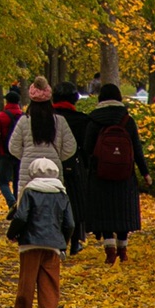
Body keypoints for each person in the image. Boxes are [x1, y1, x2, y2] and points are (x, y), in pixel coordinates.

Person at [78, 82, 149, 262]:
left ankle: (109, 250)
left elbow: (86, 148)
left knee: (105, 211)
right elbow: (137, 149)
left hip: (99, 174)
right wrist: (145, 172)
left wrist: (88, 169)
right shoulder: (127, 120)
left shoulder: (93, 120)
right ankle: (123, 250)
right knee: (123, 211)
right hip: (125, 174)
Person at [8, 78, 78, 251]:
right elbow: (71, 147)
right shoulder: (59, 122)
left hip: (27, 172)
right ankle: (52, 241)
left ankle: (28, 242)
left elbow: (13, 147)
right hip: (53, 170)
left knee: (27, 207)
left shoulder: (24, 121)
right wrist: (57, 157)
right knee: (53, 205)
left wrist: (25, 156)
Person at [9, 156, 75, 308]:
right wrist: (63, 243)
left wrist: (12, 233)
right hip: (53, 244)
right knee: (50, 281)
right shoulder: (62, 194)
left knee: (27, 280)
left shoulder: (29, 191)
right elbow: (70, 224)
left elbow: (21, 217)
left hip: (31, 242)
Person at [52, 81, 92, 254]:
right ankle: (75, 241)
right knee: (75, 204)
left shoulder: (48, 117)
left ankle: (56, 241)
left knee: (53, 203)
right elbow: (87, 146)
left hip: (50, 165)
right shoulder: (82, 120)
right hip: (75, 167)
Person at [0, 87, 25, 207]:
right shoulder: (24, 117)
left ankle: (11, 202)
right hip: (20, 154)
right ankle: (18, 205)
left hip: (4, 153)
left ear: (7, 101)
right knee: (17, 181)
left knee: (3, 182)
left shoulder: (0, 117)